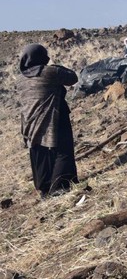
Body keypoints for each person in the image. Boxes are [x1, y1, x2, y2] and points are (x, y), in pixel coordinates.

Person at [18, 44, 79, 198]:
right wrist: (54, 65)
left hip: (30, 121)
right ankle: (59, 186)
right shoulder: (49, 72)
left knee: (39, 152)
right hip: (53, 117)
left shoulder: (21, 79)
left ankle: (44, 188)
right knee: (62, 150)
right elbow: (73, 77)